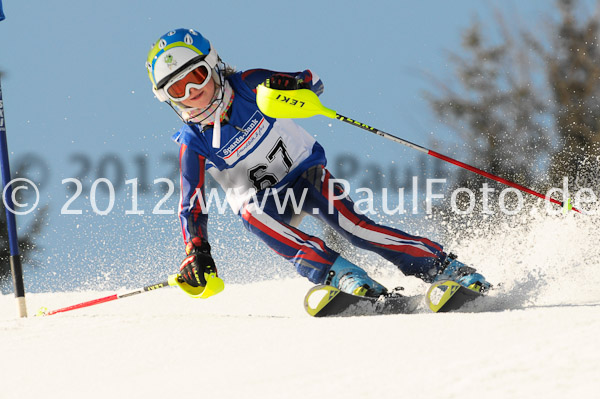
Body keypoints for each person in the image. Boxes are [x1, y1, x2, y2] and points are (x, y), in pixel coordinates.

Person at [145, 28, 491, 297]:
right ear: (167, 100)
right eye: (177, 90)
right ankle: (340, 275)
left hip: (304, 173)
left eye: (196, 78)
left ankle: (443, 267)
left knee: (355, 226)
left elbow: (311, 81)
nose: (192, 93)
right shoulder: (192, 142)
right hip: (265, 202)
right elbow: (191, 204)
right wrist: (198, 249)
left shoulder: (248, 85)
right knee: (251, 215)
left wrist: (295, 85)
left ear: (214, 66)